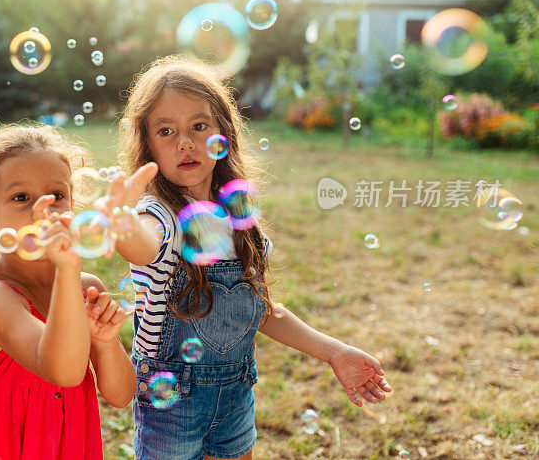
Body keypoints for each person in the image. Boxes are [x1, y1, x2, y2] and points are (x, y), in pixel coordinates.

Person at [99, 56, 392, 460]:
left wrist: (333, 352)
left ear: (224, 132)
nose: (184, 141)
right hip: (171, 406)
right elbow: (144, 244)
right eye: (166, 131)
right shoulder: (158, 215)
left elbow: (260, 311)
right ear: (147, 147)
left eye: (199, 126)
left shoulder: (239, 220)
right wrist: (121, 225)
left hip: (235, 398)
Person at [0, 125, 138, 459]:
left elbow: (122, 395)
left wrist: (106, 341)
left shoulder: (86, 288)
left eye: (56, 196)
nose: (44, 210)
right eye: (21, 198)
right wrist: (69, 267)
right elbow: (64, 372)